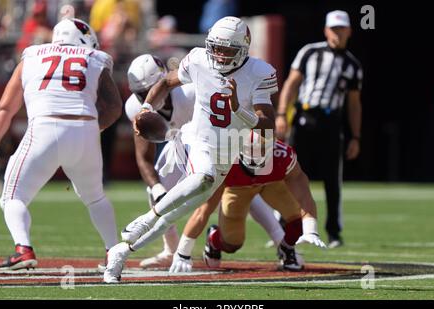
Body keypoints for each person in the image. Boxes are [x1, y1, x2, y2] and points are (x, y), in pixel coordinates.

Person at [104, 16, 278, 283]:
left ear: (242, 49)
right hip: (193, 141)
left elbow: (268, 123)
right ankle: (147, 216)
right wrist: (147, 110)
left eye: (226, 49)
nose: (218, 55)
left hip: (226, 153)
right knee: (202, 176)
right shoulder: (199, 59)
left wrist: (239, 110)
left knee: (177, 213)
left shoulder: (259, 72)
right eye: (215, 47)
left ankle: (121, 253)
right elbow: (164, 83)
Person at [0, 18, 122, 270]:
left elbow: (5, 108)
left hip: (44, 128)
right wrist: (89, 129)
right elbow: (114, 106)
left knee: (11, 196)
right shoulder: (94, 57)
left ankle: (23, 249)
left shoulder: (31, 55)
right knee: (95, 198)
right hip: (85, 127)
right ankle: (113, 252)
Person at [169, 136, 326, 273]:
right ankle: (214, 238)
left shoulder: (282, 155)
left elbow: (304, 194)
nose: (257, 159)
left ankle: (287, 249)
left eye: (263, 152)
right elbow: (203, 210)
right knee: (232, 243)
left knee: (298, 218)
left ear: (271, 148)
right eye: (253, 154)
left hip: (271, 184)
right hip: (237, 189)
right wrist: (183, 252)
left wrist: (311, 228)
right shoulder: (226, 161)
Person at [275, 10, 363, 248]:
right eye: (334, 29)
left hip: (331, 122)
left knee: (332, 179)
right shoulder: (310, 52)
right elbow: (291, 84)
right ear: (326, 30)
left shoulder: (353, 65)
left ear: (349, 31)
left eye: (342, 28)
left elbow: (354, 104)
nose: (337, 33)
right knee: (289, 173)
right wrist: (282, 114)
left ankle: (334, 231)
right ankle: (283, 226)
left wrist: (356, 136)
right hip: (304, 117)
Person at [123, 53, 196, 268]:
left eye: (150, 90)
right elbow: (143, 157)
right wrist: (157, 190)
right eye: (141, 93)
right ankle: (171, 250)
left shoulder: (189, 91)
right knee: (155, 189)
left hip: (210, 144)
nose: (146, 98)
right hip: (180, 146)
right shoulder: (135, 107)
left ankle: (280, 241)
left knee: (236, 190)